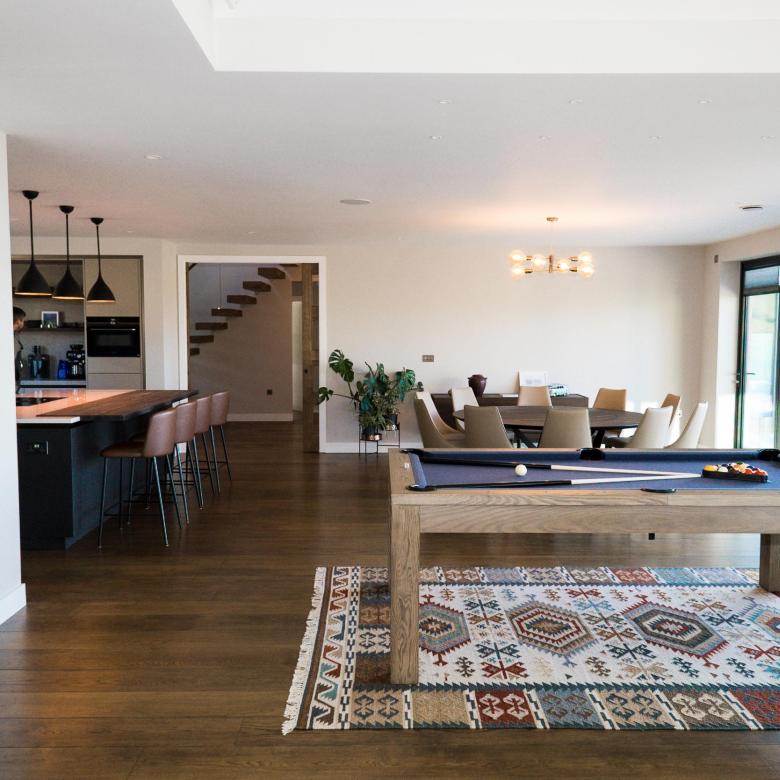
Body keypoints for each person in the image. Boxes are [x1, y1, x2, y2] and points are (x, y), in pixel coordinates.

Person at [13, 306, 25, 388]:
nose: (24, 323)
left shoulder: (15, 335)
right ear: (18, 321)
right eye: (23, 320)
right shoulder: (7, 337)